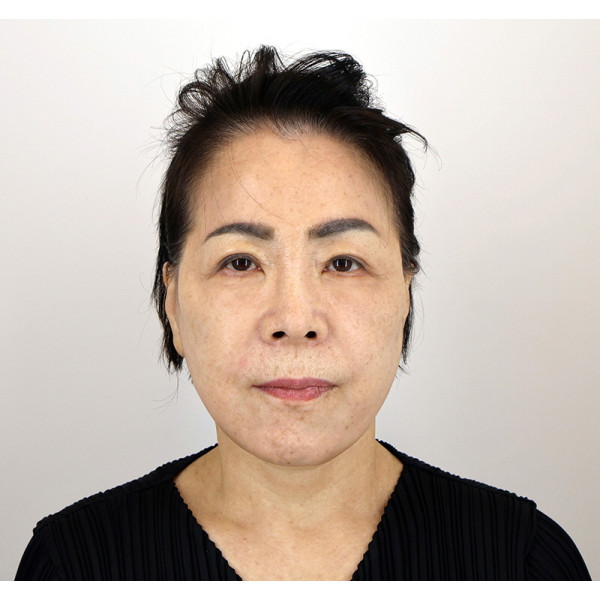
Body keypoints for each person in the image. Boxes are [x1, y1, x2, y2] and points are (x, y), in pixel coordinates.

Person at [15, 46, 591, 581]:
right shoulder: (74, 566)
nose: (294, 319)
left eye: (343, 262)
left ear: (405, 295)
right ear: (172, 303)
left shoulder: (523, 563)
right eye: (240, 262)